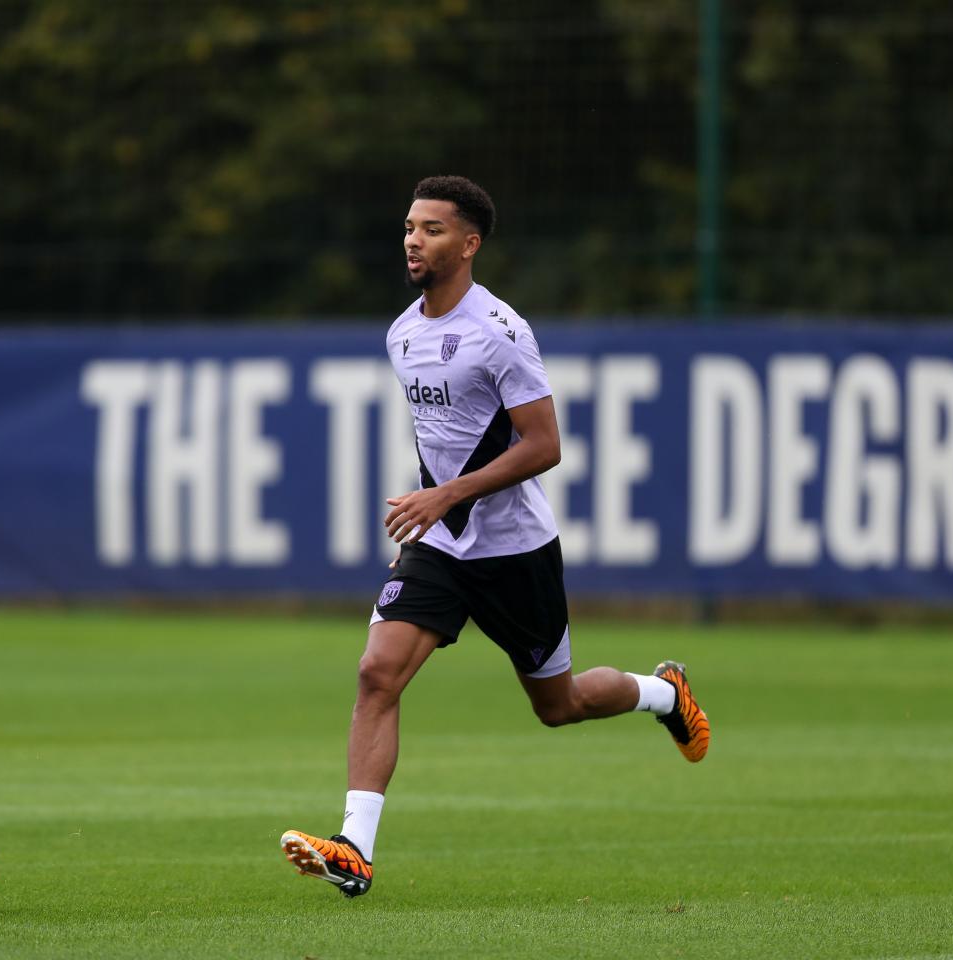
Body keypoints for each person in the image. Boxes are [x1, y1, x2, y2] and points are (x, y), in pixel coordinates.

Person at [280, 175, 709, 898]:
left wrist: (444, 495)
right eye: (410, 227)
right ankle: (355, 850)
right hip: (442, 545)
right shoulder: (402, 332)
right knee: (376, 673)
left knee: (558, 705)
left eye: (433, 229)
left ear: (469, 244)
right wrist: (428, 514)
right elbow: (443, 440)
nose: (414, 239)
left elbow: (543, 446)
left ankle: (663, 694)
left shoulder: (500, 333)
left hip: (516, 552)